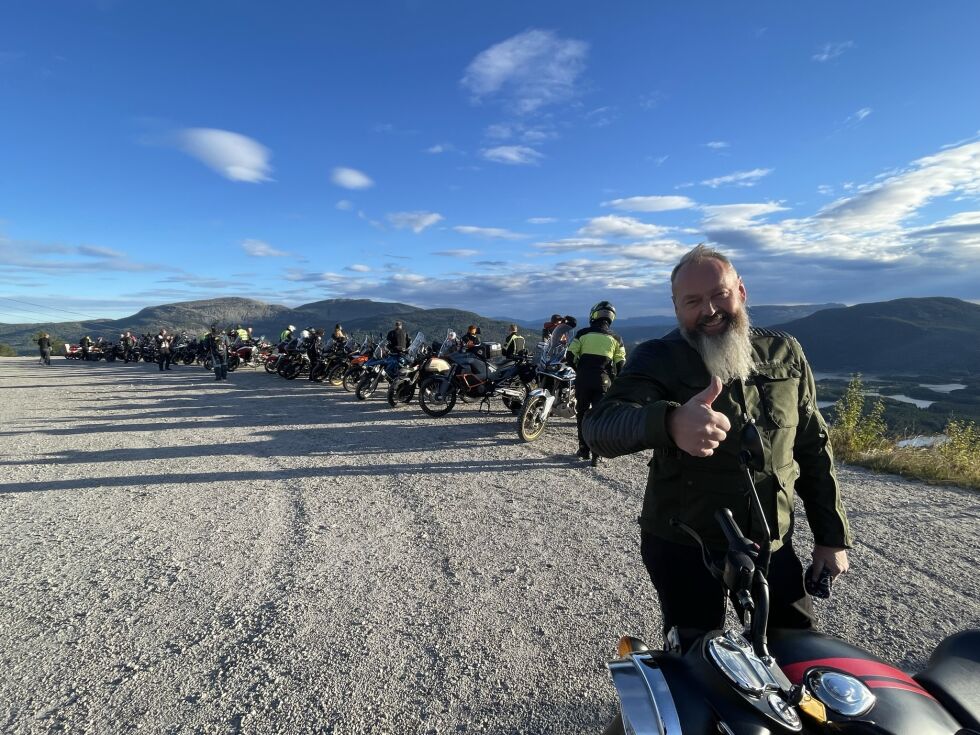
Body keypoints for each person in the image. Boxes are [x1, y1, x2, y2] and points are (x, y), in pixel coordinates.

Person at [583, 244, 852, 649]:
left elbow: (813, 446)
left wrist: (831, 537)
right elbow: (598, 427)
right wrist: (669, 422)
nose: (708, 310)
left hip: (772, 541)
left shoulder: (784, 352)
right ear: (676, 307)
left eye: (718, 294)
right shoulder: (658, 357)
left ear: (741, 292)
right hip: (684, 543)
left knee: (798, 649)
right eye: (692, 301)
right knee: (698, 658)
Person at [566, 302, 626, 464]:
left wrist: (579, 369)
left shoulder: (582, 334)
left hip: (583, 379)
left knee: (582, 413)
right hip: (603, 381)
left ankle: (583, 449)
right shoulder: (616, 339)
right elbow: (621, 366)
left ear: (594, 315)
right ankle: (596, 453)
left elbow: (569, 356)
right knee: (600, 417)